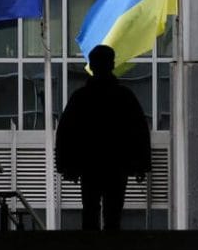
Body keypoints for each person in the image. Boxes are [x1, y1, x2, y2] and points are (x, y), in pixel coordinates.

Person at [55, 44, 151, 230]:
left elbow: (67, 134)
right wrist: (141, 165)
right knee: (113, 214)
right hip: (117, 164)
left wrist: (66, 166)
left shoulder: (81, 98)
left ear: (91, 66)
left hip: (89, 164)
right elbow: (138, 132)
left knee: (90, 211)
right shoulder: (124, 97)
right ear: (112, 64)